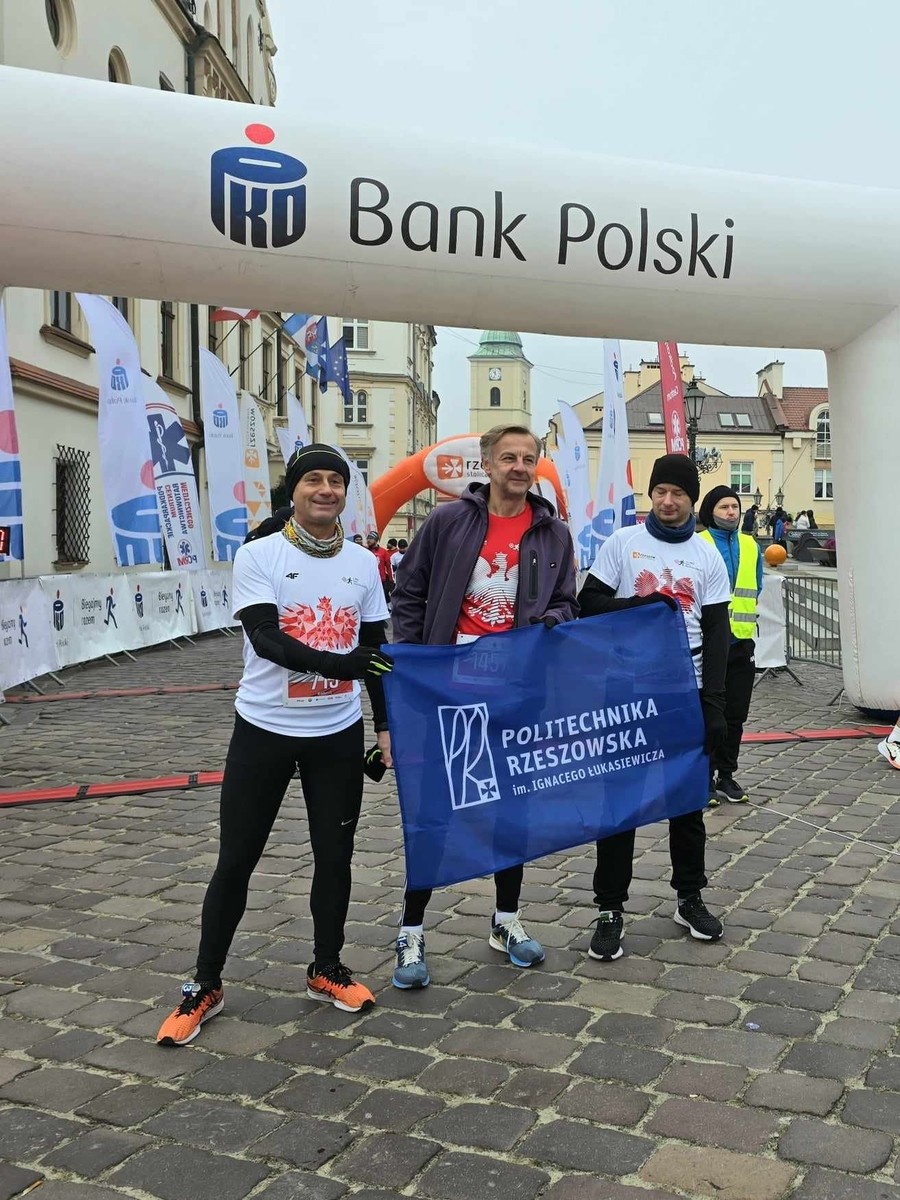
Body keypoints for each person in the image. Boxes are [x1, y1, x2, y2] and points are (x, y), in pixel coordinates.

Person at [156, 445, 394, 1046]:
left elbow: (376, 654)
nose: (325, 489)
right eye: (313, 480)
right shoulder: (259, 554)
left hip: (335, 733)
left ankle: (326, 968)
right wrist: (339, 663)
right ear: (294, 490)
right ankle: (205, 984)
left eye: (335, 481)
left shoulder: (363, 563)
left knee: (335, 857)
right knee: (237, 859)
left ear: (346, 493)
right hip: (264, 728)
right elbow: (266, 639)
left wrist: (385, 726)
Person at [389, 424, 578, 988]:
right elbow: (409, 594)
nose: (519, 467)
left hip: (516, 692)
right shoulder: (448, 521)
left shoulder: (553, 533)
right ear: (488, 465)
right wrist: (416, 668)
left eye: (528, 459)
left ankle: (506, 920)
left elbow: (567, 602)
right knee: (434, 808)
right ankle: (411, 929)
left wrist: (551, 621)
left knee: (511, 810)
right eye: (508, 458)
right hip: (449, 690)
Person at [577, 453, 730, 961]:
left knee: (687, 803)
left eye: (678, 494)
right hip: (626, 688)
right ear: (651, 495)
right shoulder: (623, 543)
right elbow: (588, 604)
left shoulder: (707, 554)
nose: (668, 501)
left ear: (691, 501)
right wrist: (637, 605)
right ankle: (609, 909)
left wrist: (714, 704)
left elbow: (717, 633)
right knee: (618, 805)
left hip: (683, 690)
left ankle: (689, 897)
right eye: (660, 491)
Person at [698, 485, 763, 805]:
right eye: (724, 507)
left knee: (736, 714)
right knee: (710, 712)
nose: (731, 512)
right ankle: (704, 776)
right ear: (710, 511)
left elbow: (757, 585)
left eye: (735, 506)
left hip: (742, 641)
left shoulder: (751, 545)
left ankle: (726, 774)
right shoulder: (699, 543)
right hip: (709, 643)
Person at [366, 531, 395, 606]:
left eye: (371, 538)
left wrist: (391, 580)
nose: (368, 540)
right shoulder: (365, 551)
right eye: (368, 538)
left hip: (381, 580)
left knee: (383, 599)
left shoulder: (384, 552)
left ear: (376, 540)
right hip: (368, 580)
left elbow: (389, 566)